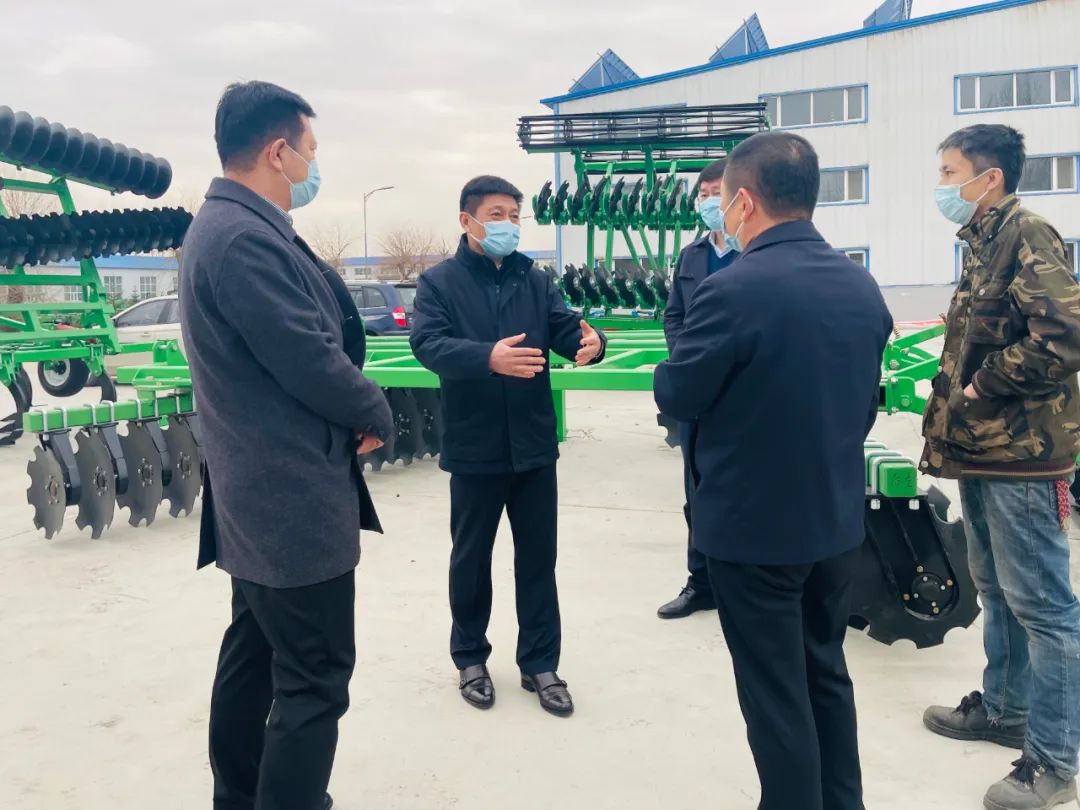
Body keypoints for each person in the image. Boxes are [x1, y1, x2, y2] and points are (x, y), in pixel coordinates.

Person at [653, 131, 892, 810]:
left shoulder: (732, 289)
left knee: (775, 694)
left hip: (754, 529)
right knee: (825, 673)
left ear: (746, 202)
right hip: (835, 521)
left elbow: (679, 394)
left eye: (725, 199)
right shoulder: (859, 284)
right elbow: (860, 402)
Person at [179, 81, 394, 810]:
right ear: (278, 152)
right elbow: (306, 357)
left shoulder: (234, 225)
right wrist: (374, 408)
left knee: (255, 656)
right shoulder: (242, 238)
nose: (312, 165)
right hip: (287, 503)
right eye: (310, 150)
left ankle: (238, 796)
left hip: (258, 500)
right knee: (315, 679)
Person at [919, 124, 1080, 810]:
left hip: (1023, 454)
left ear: (989, 178)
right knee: (997, 588)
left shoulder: (1028, 233)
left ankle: (1054, 760)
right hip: (984, 450)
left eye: (949, 172)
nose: (941, 185)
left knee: (1044, 605)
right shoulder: (985, 241)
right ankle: (1005, 708)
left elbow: (1064, 336)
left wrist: (983, 384)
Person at [410, 175, 606, 717]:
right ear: (467, 220)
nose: (509, 225)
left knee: (538, 560)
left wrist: (593, 342)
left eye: (516, 216)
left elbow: (566, 329)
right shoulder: (439, 283)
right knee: (471, 560)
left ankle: (540, 663)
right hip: (474, 446)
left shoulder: (535, 279)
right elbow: (428, 343)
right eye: (497, 215)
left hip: (533, 445)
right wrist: (486, 358)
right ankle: (470, 658)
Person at [656, 158, 739, 620]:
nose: (708, 201)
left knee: (744, 489)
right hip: (697, 395)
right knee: (697, 489)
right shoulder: (692, 256)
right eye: (703, 194)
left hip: (745, 395)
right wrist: (686, 358)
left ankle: (741, 584)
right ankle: (700, 582)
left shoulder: (756, 252)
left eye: (716, 193)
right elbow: (674, 315)